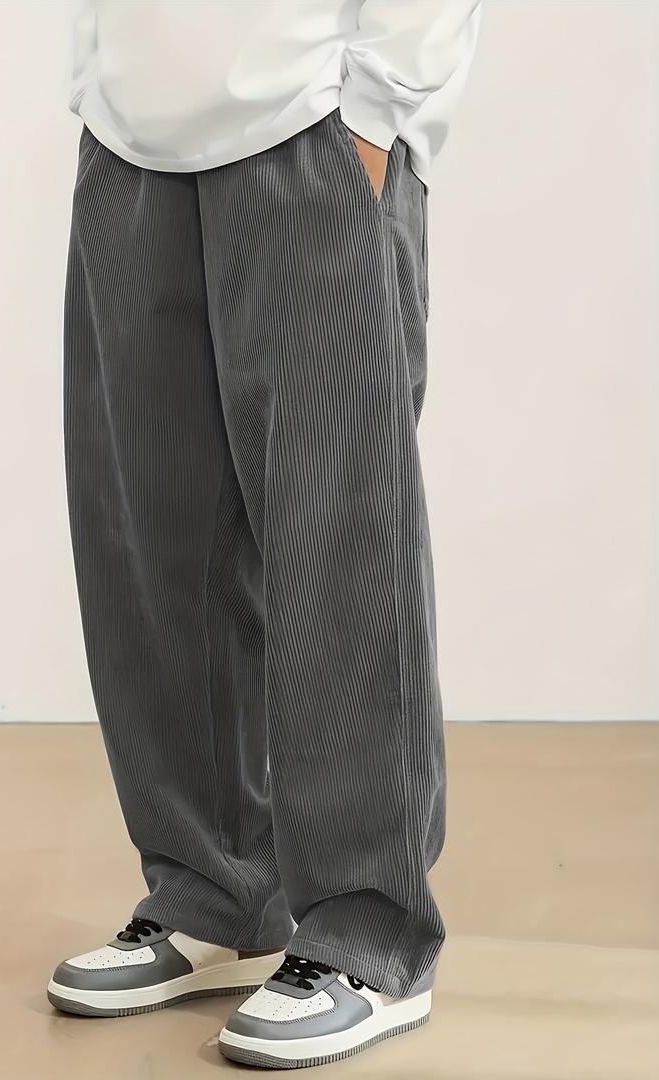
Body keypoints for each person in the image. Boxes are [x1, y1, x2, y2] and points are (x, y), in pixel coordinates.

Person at [48, 0, 482, 1068]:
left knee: (337, 538)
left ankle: (371, 932)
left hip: (310, 119)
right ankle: (215, 892)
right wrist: (96, 77)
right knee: (149, 541)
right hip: (131, 136)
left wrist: (380, 111)